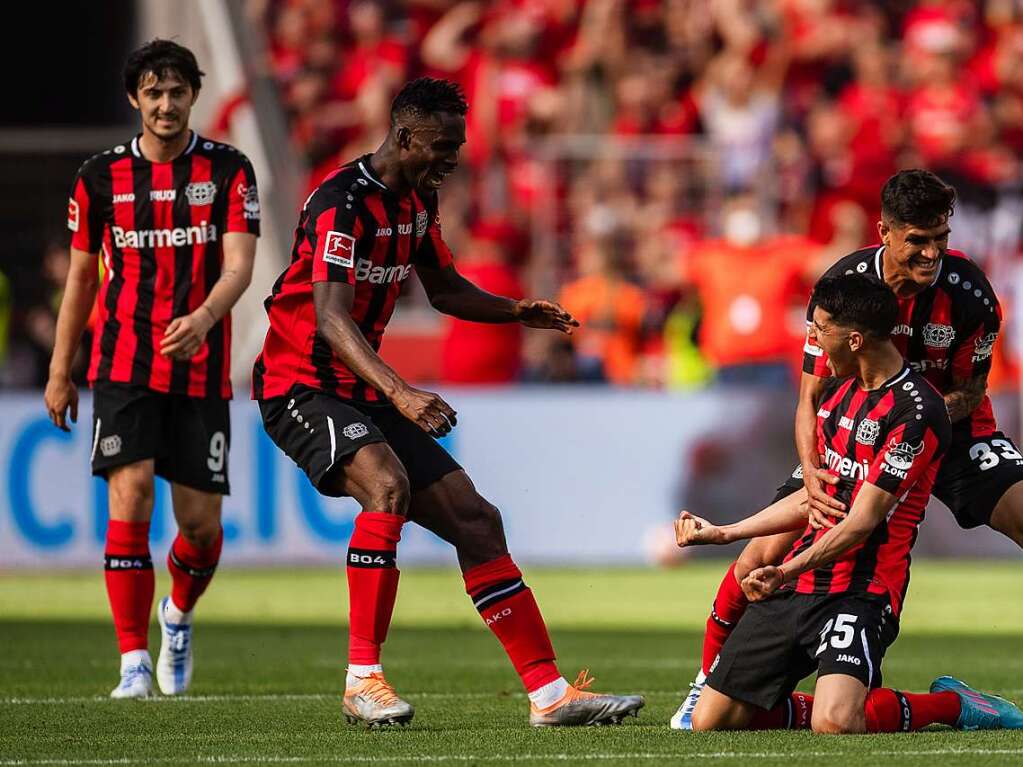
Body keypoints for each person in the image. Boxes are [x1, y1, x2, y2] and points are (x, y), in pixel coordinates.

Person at [252, 77, 644, 728]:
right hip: (300, 384)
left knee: (475, 519)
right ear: (404, 136)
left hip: (360, 386)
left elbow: (443, 289)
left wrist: (514, 310)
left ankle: (549, 694)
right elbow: (327, 316)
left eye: (457, 146)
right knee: (386, 486)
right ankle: (362, 680)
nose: (452, 158)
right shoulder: (340, 202)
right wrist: (401, 390)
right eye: (441, 145)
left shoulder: (416, 201)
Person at [671, 169, 1023, 728]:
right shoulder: (843, 287)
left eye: (941, 238)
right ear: (884, 232)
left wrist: (909, 418)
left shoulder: (970, 295)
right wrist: (812, 470)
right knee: (758, 557)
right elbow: (810, 396)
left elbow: (971, 390)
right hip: (852, 429)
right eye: (918, 240)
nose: (932, 253)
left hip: (949, 426)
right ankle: (704, 685)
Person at [44, 40, 260, 698]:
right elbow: (81, 277)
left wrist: (203, 317)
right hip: (123, 360)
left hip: (200, 363)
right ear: (135, 99)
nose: (166, 104)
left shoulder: (228, 169)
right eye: (153, 92)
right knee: (130, 493)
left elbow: (240, 264)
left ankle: (178, 615)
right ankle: (132, 659)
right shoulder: (99, 176)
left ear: (193, 95)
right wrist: (61, 368)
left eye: (177, 91)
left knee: (199, 526)